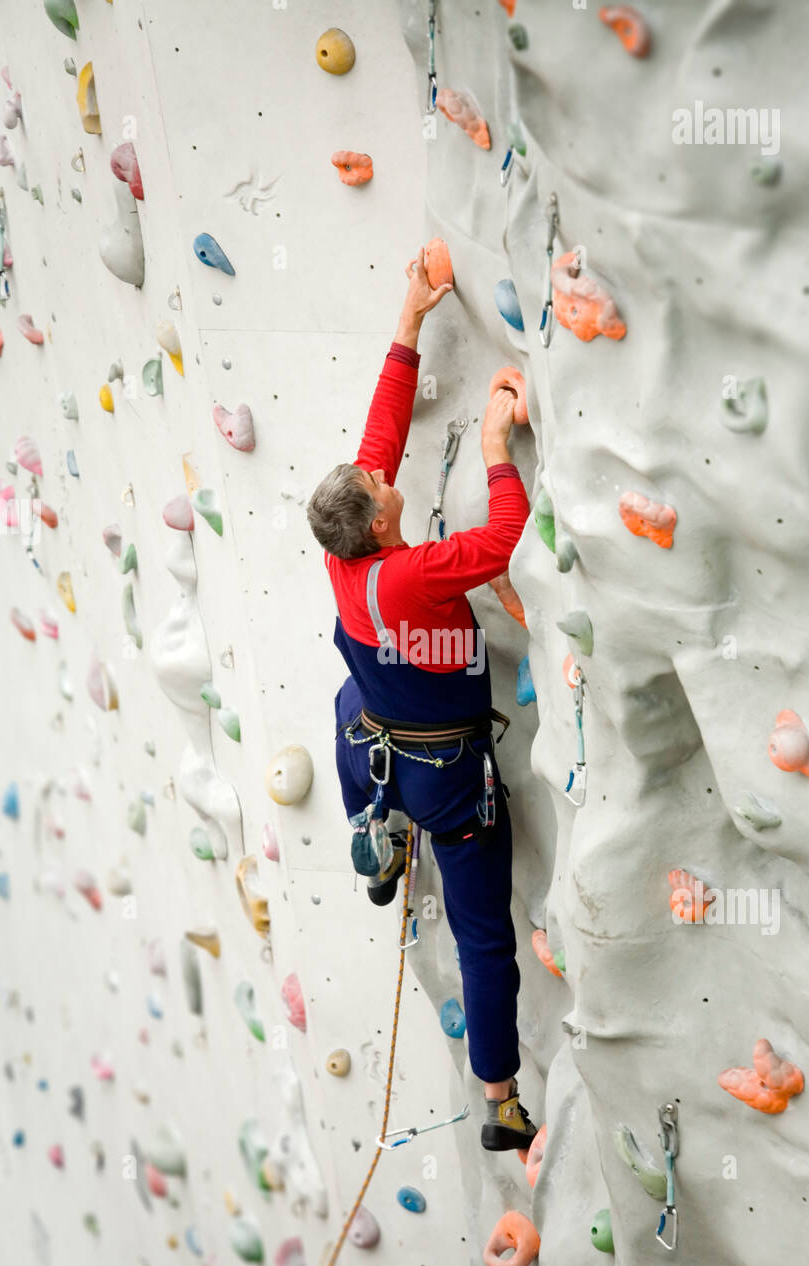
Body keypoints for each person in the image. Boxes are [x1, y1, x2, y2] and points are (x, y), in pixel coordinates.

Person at [306, 246, 537, 1152]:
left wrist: (410, 319)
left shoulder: (343, 555)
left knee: (348, 697)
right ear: (380, 522)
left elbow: (378, 438)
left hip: (379, 747)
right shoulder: (418, 573)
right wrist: (493, 448)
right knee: (485, 935)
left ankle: (377, 836)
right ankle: (502, 1100)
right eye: (374, 486)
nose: (377, 470)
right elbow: (507, 534)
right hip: (448, 776)